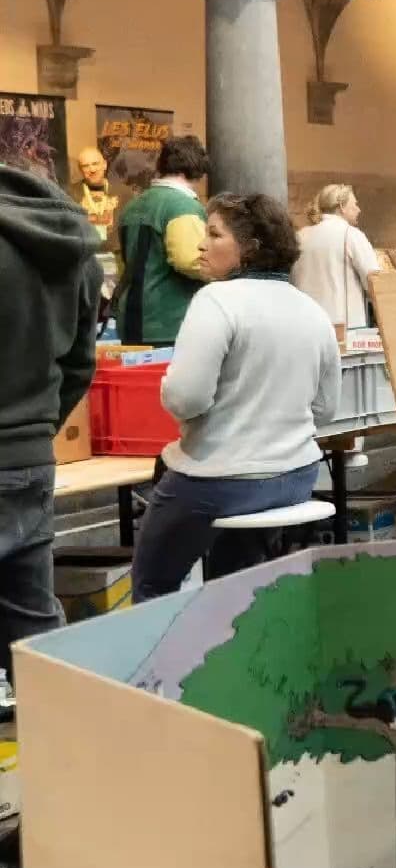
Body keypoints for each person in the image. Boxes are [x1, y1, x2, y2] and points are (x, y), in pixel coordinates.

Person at [132, 194, 339, 601]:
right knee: (234, 581)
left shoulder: (215, 300)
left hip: (218, 480)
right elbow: (326, 410)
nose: (201, 245)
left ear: (250, 247)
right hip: (295, 477)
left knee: (152, 583)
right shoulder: (313, 310)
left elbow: (185, 398)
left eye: (214, 234)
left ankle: (167, 662)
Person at [0, 127, 100, 673]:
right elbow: (81, 364)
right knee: (32, 616)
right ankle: (67, 742)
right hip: (31, 456)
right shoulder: (74, 244)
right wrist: (39, 426)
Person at [114, 134, 209, 345]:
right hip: (168, 323)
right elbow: (190, 260)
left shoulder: (132, 206)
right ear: (198, 170)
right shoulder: (183, 206)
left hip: (130, 319)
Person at [292, 183, 381, 328]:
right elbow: (373, 281)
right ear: (341, 207)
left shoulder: (300, 236)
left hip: (305, 324)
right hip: (345, 328)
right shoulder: (351, 235)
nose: (359, 210)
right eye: (355, 204)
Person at [71, 147, 117, 238]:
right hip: (84, 250)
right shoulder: (69, 193)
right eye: (85, 166)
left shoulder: (123, 192)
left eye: (95, 164)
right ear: (80, 169)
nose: (92, 170)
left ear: (104, 165)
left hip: (114, 251)